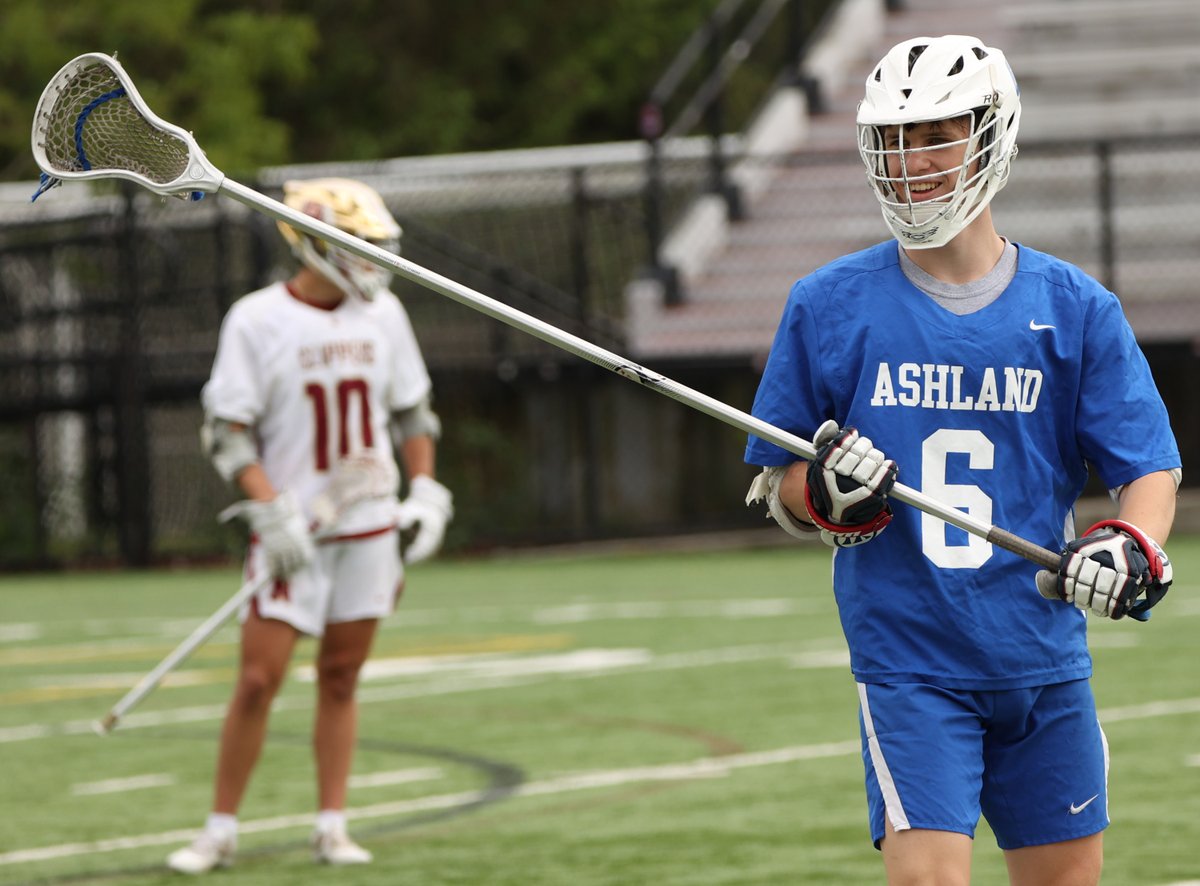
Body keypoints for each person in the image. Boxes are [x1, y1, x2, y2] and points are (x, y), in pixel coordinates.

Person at [745, 35, 1180, 885]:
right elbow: (780, 490)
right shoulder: (829, 305)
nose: (913, 163)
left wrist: (1130, 543)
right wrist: (828, 494)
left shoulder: (1075, 310)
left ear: (993, 135)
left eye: (938, 135)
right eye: (896, 140)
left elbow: (1148, 469)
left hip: (1041, 656)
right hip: (911, 663)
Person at [167, 178, 454, 873]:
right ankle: (220, 828)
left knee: (342, 675)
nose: (374, 261)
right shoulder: (257, 319)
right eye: (361, 245)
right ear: (317, 243)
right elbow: (228, 432)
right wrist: (270, 507)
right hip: (293, 527)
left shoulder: (384, 316)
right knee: (258, 680)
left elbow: (413, 414)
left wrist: (425, 488)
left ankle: (331, 823)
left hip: (368, 523)